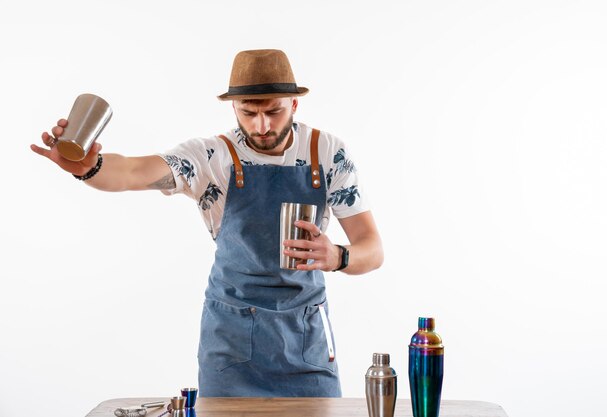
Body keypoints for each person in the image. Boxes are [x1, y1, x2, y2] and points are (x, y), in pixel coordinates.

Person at [31, 49, 383, 397]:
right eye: (249, 113)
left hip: (305, 344)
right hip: (230, 346)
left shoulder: (327, 153)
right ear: (234, 108)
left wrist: (338, 256)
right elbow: (133, 171)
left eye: (273, 111)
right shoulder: (211, 156)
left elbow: (373, 249)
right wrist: (89, 168)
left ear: (294, 104)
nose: (262, 126)